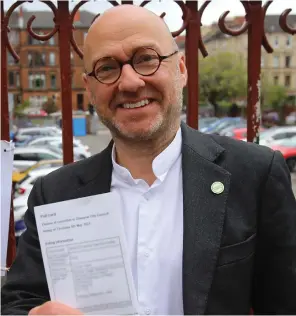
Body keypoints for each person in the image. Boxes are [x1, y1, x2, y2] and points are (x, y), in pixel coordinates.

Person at [2, 4, 296, 315]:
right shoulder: (54, 194)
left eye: (146, 59)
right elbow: (19, 301)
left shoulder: (255, 175)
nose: (129, 83)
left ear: (181, 69)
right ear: (89, 88)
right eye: (107, 68)